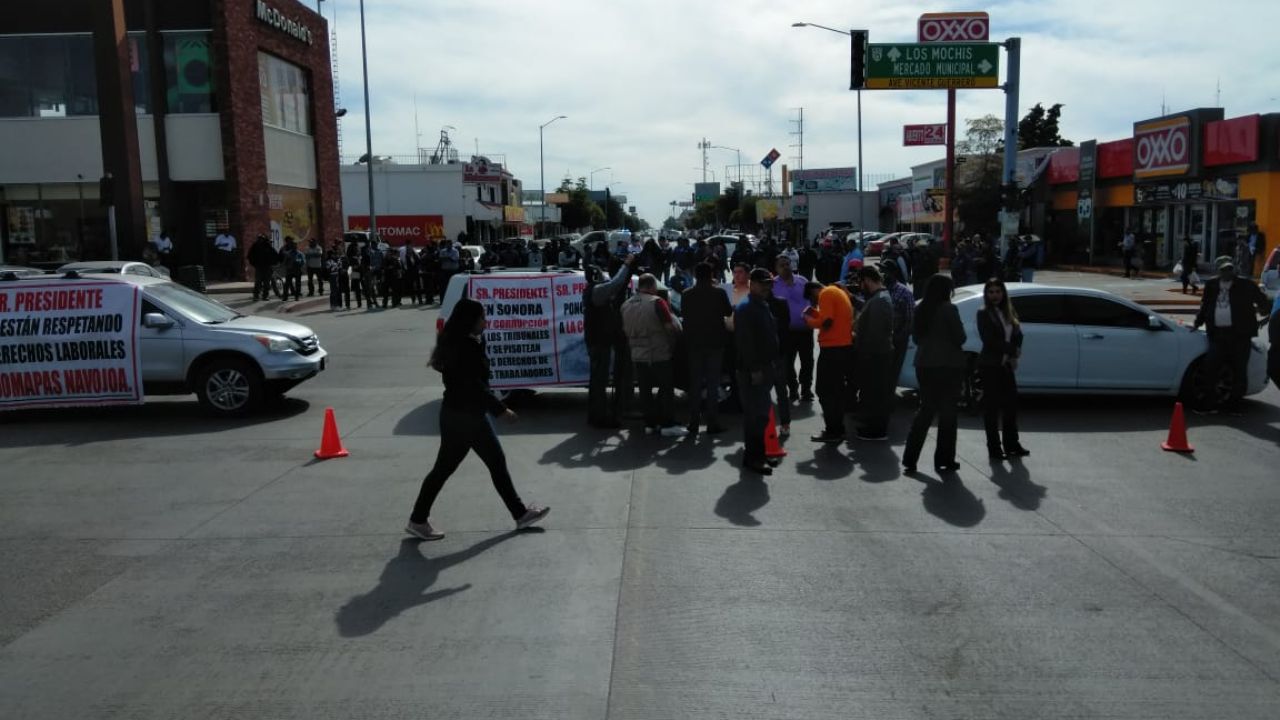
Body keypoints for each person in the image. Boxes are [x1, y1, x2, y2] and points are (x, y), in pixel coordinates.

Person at [404, 298, 550, 541]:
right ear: (469, 321)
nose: (486, 322)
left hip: (460, 414)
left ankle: (418, 519)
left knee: (451, 468)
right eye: (482, 318)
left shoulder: (463, 342)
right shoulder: (464, 347)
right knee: (488, 463)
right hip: (466, 416)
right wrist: (501, 410)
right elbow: (474, 385)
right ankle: (520, 514)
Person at [901, 275, 967, 475]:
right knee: (948, 414)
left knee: (925, 411)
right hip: (947, 365)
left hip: (924, 364)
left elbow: (917, 337)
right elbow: (961, 337)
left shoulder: (921, 308)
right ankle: (944, 459)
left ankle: (910, 459)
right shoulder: (949, 309)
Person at [1191, 256, 1271, 414]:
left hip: (1240, 335)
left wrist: (1264, 314)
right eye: (1223, 270)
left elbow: (1263, 302)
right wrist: (1197, 323)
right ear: (1218, 270)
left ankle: (1233, 406)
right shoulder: (1212, 284)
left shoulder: (1245, 284)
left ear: (1233, 269)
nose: (1226, 272)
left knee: (1239, 370)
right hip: (1217, 334)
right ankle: (1209, 404)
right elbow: (1205, 305)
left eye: (1229, 269)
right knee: (1211, 367)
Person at [621, 273, 686, 437]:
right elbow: (670, 328)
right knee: (666, 389)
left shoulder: (625, 305)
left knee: (645, 391)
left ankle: (650, 424)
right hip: (659, 353)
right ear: (651, 286)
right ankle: (667, 424)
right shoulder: (657, 302)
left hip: (637, 355)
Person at [734, 268, 780, 475]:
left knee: (761, 415)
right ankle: (753, 458)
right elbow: (746, 343)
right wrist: (754, 370)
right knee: (756, 415)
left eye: (769, 284)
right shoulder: (746, 308)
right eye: (762, 284)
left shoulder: (761, 304)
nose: (766, 288)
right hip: (754, 369)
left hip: (765, 366)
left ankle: (758, 454)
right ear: (752, 284)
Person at [977, 279, 1028, 459]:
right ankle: (994, 448)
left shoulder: (1009, 310)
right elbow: (989, 341)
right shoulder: (983, 313)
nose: (995, 295)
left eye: (998, 291)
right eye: (991, 292)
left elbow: (1018, 334)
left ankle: (1012, 444)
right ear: (986, 294)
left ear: (1003, 293)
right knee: (991, 409)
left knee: (1011, 406)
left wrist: (1014, 355)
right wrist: (1012, 350)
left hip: (1006, 366)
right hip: (990, 366)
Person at [584, 254, 637, 428]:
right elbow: (616, 283)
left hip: (598, 341)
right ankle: (599, 417)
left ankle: (597, 414)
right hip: (599, 342)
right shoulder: (597, 291)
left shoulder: (592, 290)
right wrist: (627, 265)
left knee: (598, 380)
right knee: (599, 381)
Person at [681, 262, 733, 436]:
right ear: (711, 275)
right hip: (715, 343)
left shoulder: (687, 294)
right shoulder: (719, 292)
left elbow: (685, 315)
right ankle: (712, 422)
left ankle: (693, 423)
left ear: (695, 275)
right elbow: (727, 312)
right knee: (712, 384)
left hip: (694, 343)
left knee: (695, 384)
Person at [804, 279, 854, 444]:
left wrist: (810, 322)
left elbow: (827, 322)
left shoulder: (825, 294)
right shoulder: (837, 292)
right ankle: (838, 429)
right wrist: (817, 315)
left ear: (814, 290)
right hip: (843, 346)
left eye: (812, 299)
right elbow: (832, 318)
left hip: (832, 349)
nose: (815, 303)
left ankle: (833, 431)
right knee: (837, 390)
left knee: (824, 390)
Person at [854, 266, 895, 441]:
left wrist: (865, 350)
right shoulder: (879, 298)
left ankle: (877, 430)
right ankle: (873, 425)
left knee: (877, 394)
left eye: (860, 281)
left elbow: (876, 333)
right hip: (877, 354)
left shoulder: (879, 300)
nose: (860, 285)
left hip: (876, 355)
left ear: (867, 280)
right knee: (875, 393)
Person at [773, 255, 815, 404]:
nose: (785, 267)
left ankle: (806, 390)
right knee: (787, 364)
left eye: (787, 264)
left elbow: (812, 301)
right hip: (786, 332)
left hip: (805, 330)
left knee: (807, 362)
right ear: (776, 268)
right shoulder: (773, 285)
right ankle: (793, 389)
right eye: (782, 265)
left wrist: (811, 317)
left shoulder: (802, 281)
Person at [881, 261, 915, 396]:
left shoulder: (904, 292)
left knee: (892, 372)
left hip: (897, 339)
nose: (882, 274)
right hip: (883, 337)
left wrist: (898, 337)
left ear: (892, 273)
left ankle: (888, 401)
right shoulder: (882, 290)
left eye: (885, 271)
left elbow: (910, 319)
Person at [247, 234, 278, 301]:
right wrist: (254, 264)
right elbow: (250, 256)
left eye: (262, 239)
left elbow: (275, 255)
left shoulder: (268, 246)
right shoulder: (255, 246)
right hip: (259, 267)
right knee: (258, 282)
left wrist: (272, 264)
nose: (260, 240)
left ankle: (265, 296)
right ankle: (256, 296)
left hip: (267, 267)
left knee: (266, 283)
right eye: (259, 239)